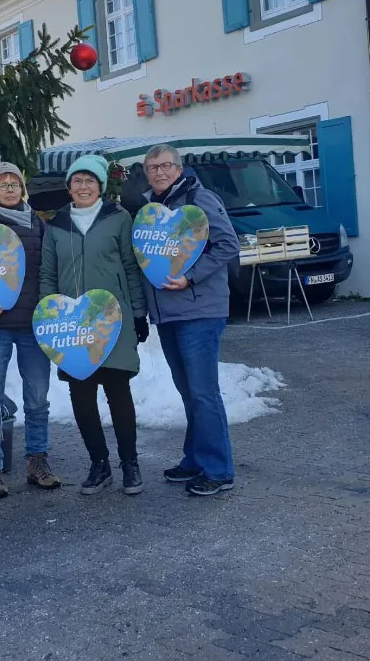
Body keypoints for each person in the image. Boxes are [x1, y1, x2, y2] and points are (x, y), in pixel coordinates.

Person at [128, 144, 240, 497]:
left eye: (164, 166)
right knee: (189, 391)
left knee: (204, 393)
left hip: (199, 311)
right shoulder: (150, 210)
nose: (158, 172)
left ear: (178, 168)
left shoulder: (199, 200)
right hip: (168, 314)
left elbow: (228, 245)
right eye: (151, 168)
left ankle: (219, 470)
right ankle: (195, 458)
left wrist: (191, 276)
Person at [39, 154, 151, 495]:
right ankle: (98, 463)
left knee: (118, 391)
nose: (83, 186)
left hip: (113, 321)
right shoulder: (56, 225)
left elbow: (132, 267)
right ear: (69, 186)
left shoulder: (119, 219)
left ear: (100, 185)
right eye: (77, 180)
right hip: (72, 325)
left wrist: (138, 313)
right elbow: (47, 274)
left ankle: (129, 463)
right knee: (82, 396)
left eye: (90, 180)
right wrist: (48, 318)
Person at [0, 162, 59, 498]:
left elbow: (50, 269)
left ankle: (38, 461)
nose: (9, 189)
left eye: (14, 183)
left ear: (23, 189)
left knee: (37, 398)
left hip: (33, 324)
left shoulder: (38, 224)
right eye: (2, 184)